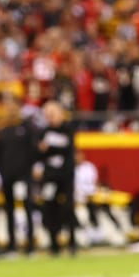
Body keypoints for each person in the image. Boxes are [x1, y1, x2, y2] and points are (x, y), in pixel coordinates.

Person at [0, 92, 39, 257]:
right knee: (9, 210)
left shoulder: (27, 126)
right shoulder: (1, 128)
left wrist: (34, 168)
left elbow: (34, 150)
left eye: (13, 105)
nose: (11, 109)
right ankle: (12, 245)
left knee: (28, 207)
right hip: (7, 174)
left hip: (24, 174)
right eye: (8, 105)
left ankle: (30, 245)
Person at [37, 100, 78, 258]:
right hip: (50, 178)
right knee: (49, 208)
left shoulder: (68, 129)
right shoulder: (44, 131)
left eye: (52, 114)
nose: (50, 118)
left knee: (68, 208)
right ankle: (54, 245)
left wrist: (50, 148)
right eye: (47, 115)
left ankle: (72, 242)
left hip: (65, 176)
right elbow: (39, 152)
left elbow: (68, 149)